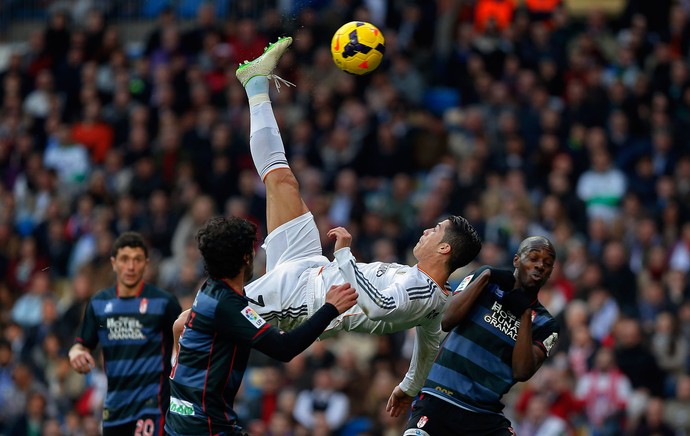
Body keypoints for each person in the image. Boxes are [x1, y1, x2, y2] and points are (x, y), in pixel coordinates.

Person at [234, 36, 483, 416]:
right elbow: (430, 348)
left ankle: (171, 366)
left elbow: (380, 306)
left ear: (446, 249)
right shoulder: (439, 300)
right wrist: (409, 386)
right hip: (310, 266)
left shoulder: (421, 294)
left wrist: (346, 253)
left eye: (435, 231)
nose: (426, 231)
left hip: (302, 300)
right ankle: (255, 83)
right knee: (283, 181)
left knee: (214, 313)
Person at [165, 216, 358, 435]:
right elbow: (284, 348)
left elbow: (180, 324)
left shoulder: (210, 290)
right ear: (247, 258)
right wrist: (330, 308)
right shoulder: (226, 305)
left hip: (182, 421)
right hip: (203, 427)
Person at [403, 236, 560, 435]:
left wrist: (525, 313)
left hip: (483, 415)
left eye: (547, 264)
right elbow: (447, 320)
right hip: (440, 398)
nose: (539, 266)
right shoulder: (485, 281)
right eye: (534, 258)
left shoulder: (547, 325)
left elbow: (521, 372)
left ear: (550, 273)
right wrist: (485, 277)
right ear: (516, 260)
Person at [68, 231, 182, 436]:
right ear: (113, 263)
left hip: (152, 407)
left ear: (146, 264)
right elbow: (82, 343)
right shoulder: (99, 303)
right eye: (125, 259)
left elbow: (181, 349)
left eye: (137, 259)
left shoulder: (164, 303)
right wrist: (75, 353)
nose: (131, 266)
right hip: (114, 408)